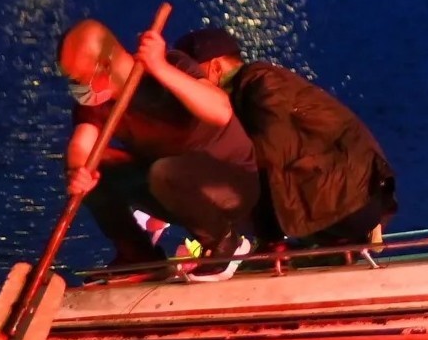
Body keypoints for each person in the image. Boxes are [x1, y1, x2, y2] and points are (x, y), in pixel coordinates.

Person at [55, 19, 258, 274]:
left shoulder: (172, 64)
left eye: (80, 79)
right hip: (170, 190)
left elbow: (219, 111)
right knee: (98, 170)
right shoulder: (95, 103)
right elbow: (82, 145)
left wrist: (159, 67)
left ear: (104, 66)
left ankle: (224, 243)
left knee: (165, 172)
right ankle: (138, 257)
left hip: (230, 184)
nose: (77, 89)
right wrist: (79, 171)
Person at [169, 26, 398, 249]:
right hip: (340, 198)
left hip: (348, 200)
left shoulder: (262, 80)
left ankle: (236, 245)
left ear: (215, 67)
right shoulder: (245, 91)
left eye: (191, 74)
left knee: (196, 176)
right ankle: (270, 243)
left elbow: (272, 149)